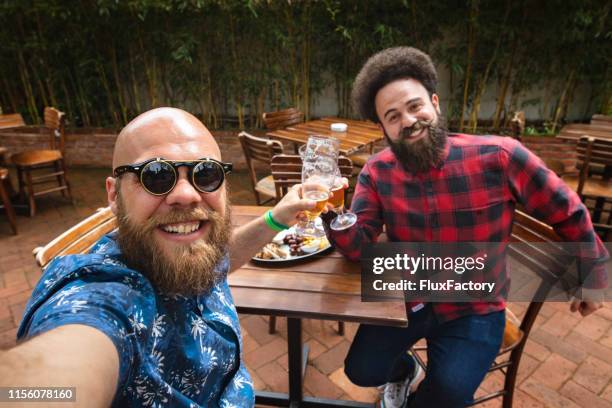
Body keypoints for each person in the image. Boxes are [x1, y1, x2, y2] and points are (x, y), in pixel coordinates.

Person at [321, 47, 608, 408]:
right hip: (409, 294)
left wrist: (593, 274)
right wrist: (333, 214)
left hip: (476, 305)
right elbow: (360, 246)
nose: (408, 121)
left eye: (415, 106)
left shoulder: (500, 155)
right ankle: (404, 372)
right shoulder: (377, 172)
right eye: (393, 116)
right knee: (361, 371)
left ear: (435, 103)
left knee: (448, 395)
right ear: (384, 129)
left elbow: (566, 210)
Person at [0, 108, 318, 407]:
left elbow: (219, 262)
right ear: (114, 194)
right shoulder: (103, 293)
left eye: (205, 173)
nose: (186, 194)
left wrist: (277, 217)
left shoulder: (192, 248)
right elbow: (60, 368)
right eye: (156, 176)